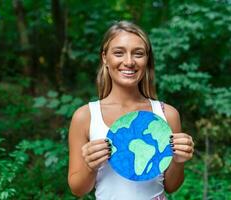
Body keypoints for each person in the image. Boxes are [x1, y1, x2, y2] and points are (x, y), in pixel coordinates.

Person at [68, 20, 194, 200]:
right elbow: (77, 190)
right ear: (105, 58)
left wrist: (178, 161)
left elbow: (171, 186)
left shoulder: (167, 114)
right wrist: (90, 167)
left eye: (138, 54)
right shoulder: (85, 117)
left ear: (147, 59)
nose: (129, 62)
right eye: (119, 53)